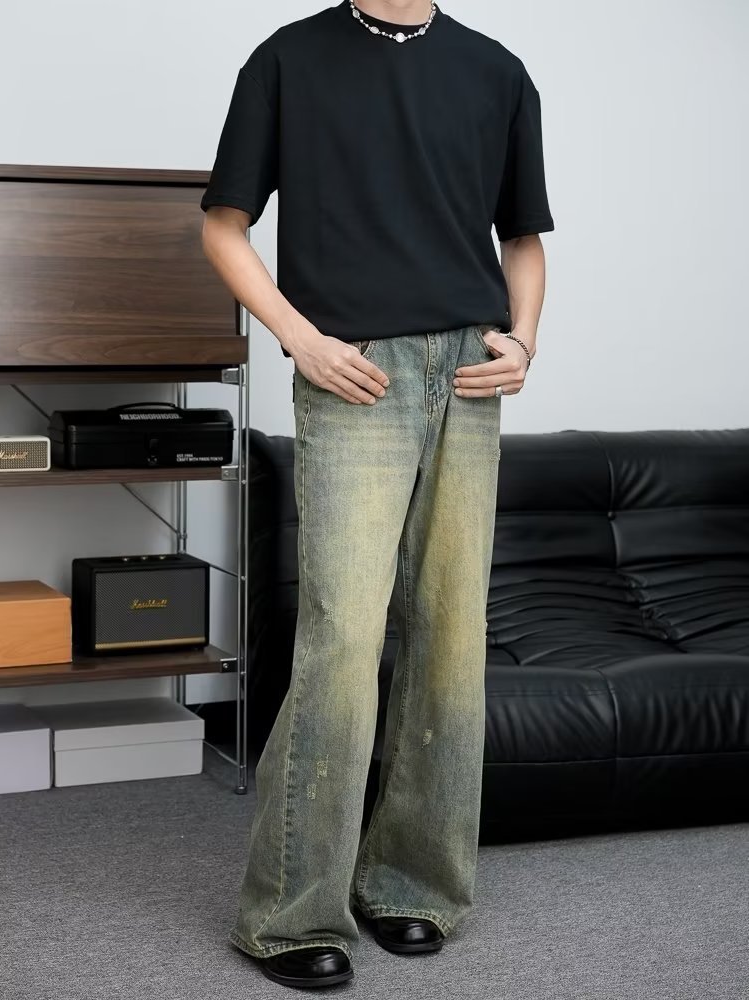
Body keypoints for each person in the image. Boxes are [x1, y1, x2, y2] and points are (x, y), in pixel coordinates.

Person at [200, 0, 553, 990]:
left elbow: (523, 236)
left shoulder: (497, 71)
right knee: (343, 640)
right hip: (353, 371)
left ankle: (410, 884)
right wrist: (300, 338)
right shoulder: (286, 60)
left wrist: (525, 342)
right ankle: (288, 915)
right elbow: (222, 227)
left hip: (469, 374)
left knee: (449, 636)